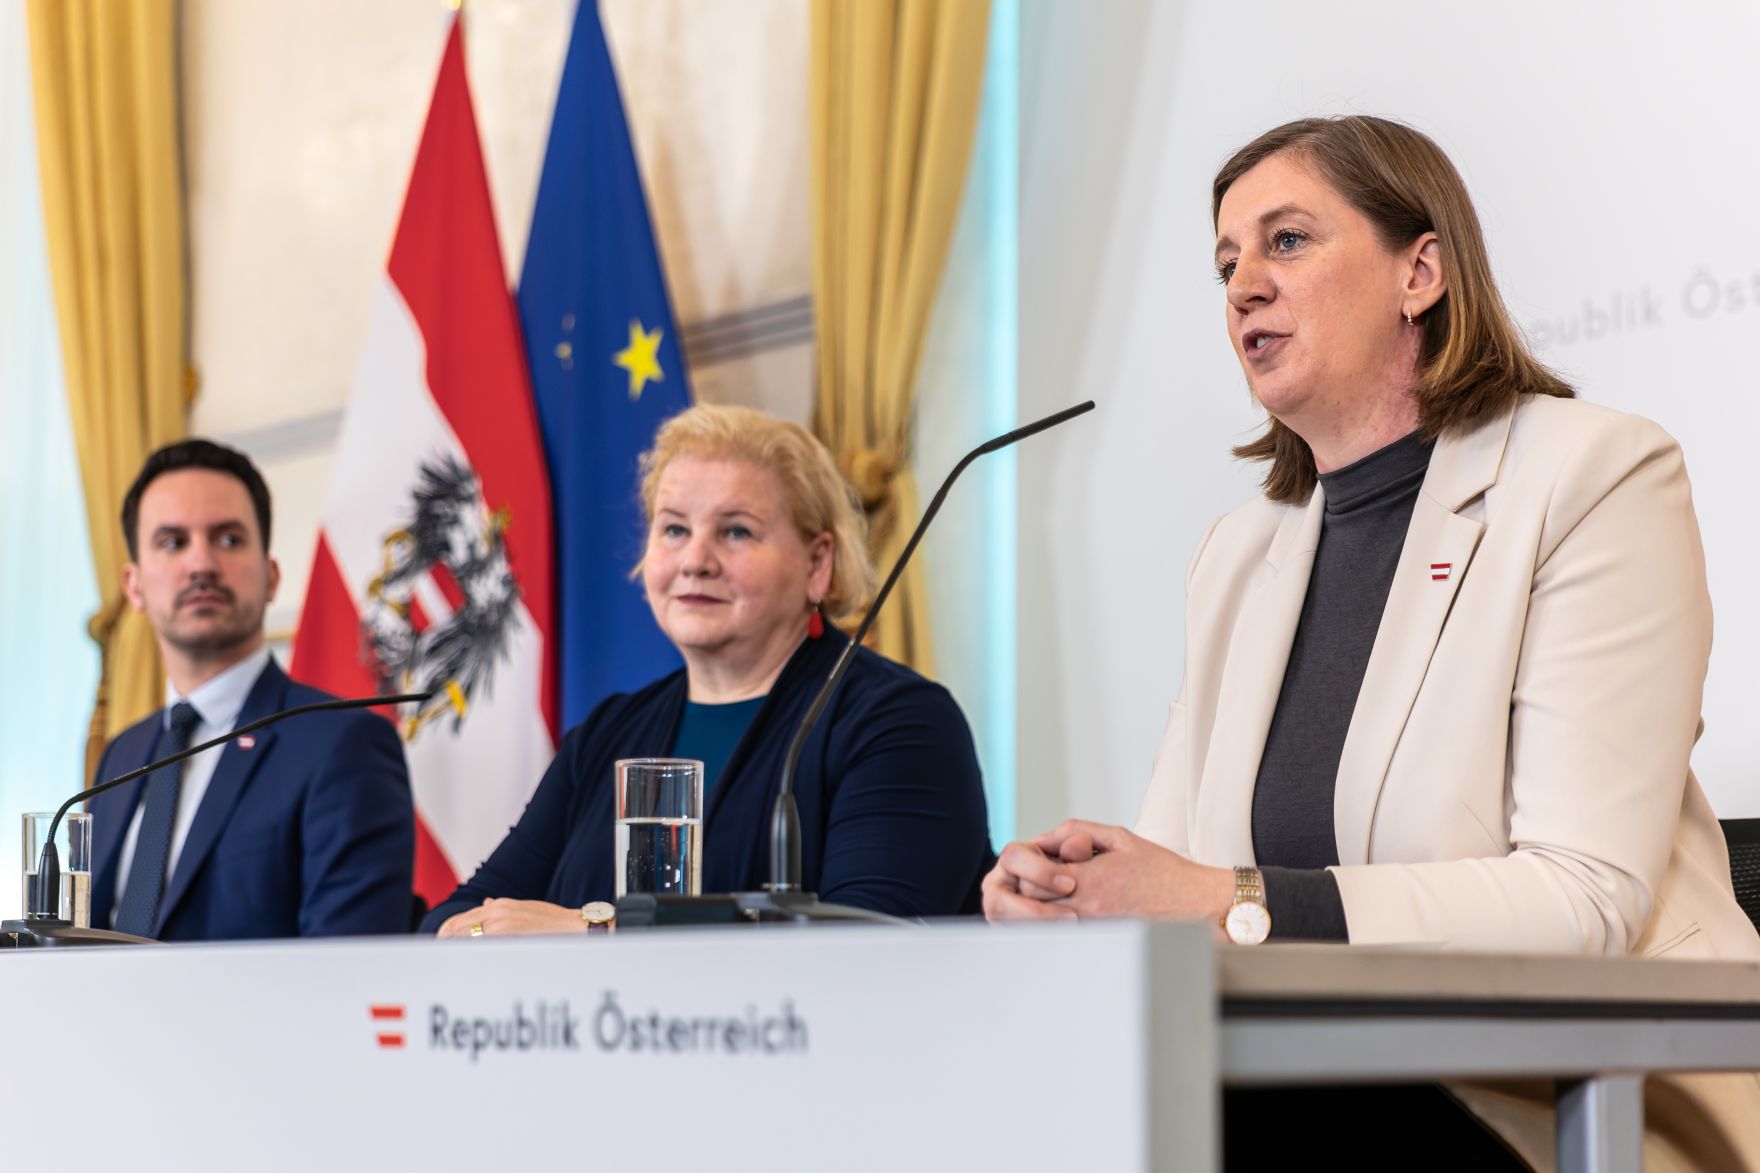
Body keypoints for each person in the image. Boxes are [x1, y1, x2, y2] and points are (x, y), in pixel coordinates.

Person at [984, 116, 1760, 1171]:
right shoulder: (1238, 553)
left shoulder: (1592, 475)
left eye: (1285, 241)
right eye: (1225, 262)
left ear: (1420, 273)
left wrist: (1230, 904)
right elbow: (1172, 875)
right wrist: (1082, 900)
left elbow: (1582, 898)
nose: (1243, 285)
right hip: (1310, 1090)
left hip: (1562, 1102)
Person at [423, 404, 990, 936]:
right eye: (674, 529)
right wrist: (480, 935)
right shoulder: (608, 735)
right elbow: (454, 919)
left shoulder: (899, 723)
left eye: (736, 531)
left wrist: (588, 931)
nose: (696, 560)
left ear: (818, 564)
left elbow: (867, 945)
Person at [90, 439, 415, 940]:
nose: (201, 564)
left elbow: (350, 980)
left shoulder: (345, 745)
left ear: (271, 576)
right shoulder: (121, 756)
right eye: (173, 542)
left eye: (228, 539)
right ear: (133, 587)